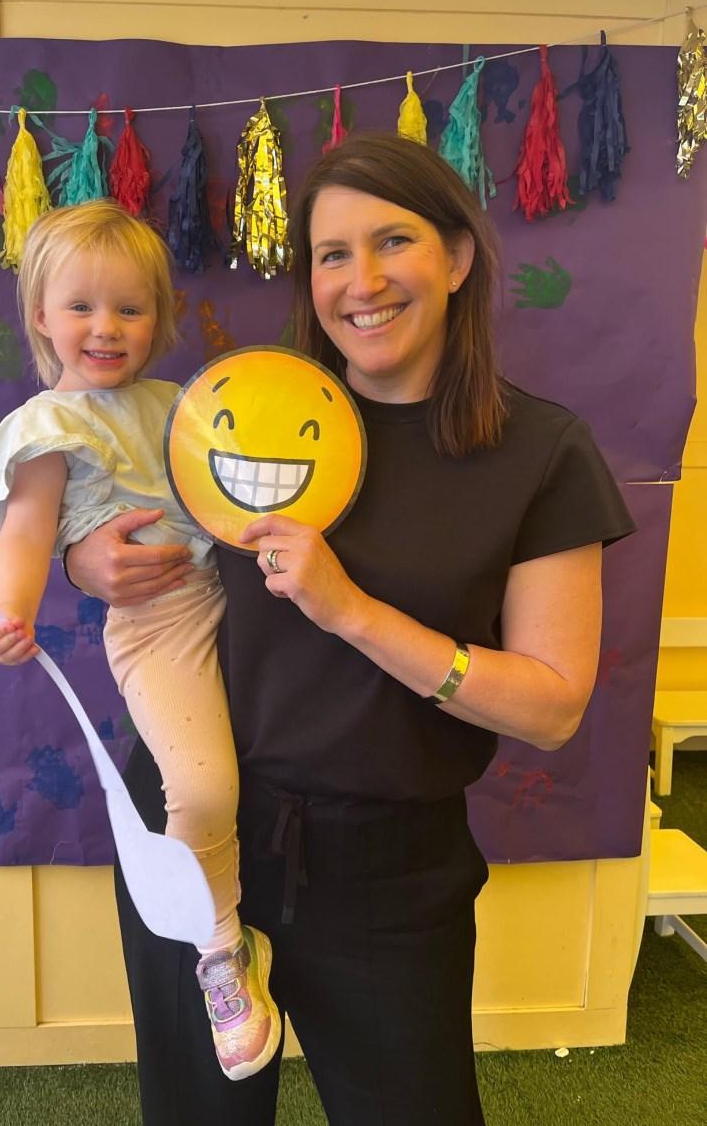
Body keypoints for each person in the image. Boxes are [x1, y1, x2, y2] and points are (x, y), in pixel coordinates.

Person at [64, 133, 636, 1126]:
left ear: (456, 258)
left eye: (393, 242)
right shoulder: (239, 411)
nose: (360, 281)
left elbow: (551, 707)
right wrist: (88, 560)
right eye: (332, 254)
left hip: (389, 869)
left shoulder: (540, 454)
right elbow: (102, 504)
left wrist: (354, 613)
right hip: (200, 837)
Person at [0, 199, 281, 1082]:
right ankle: (221, 950)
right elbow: (27, 530)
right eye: (81, 307)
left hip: (245, 599)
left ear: (159, 317)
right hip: (163, 620)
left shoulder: (176, 404)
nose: (105, 327)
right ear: (41, 316)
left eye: (129, 308)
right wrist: (11, 609)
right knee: (201, 787)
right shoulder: (47, 425)